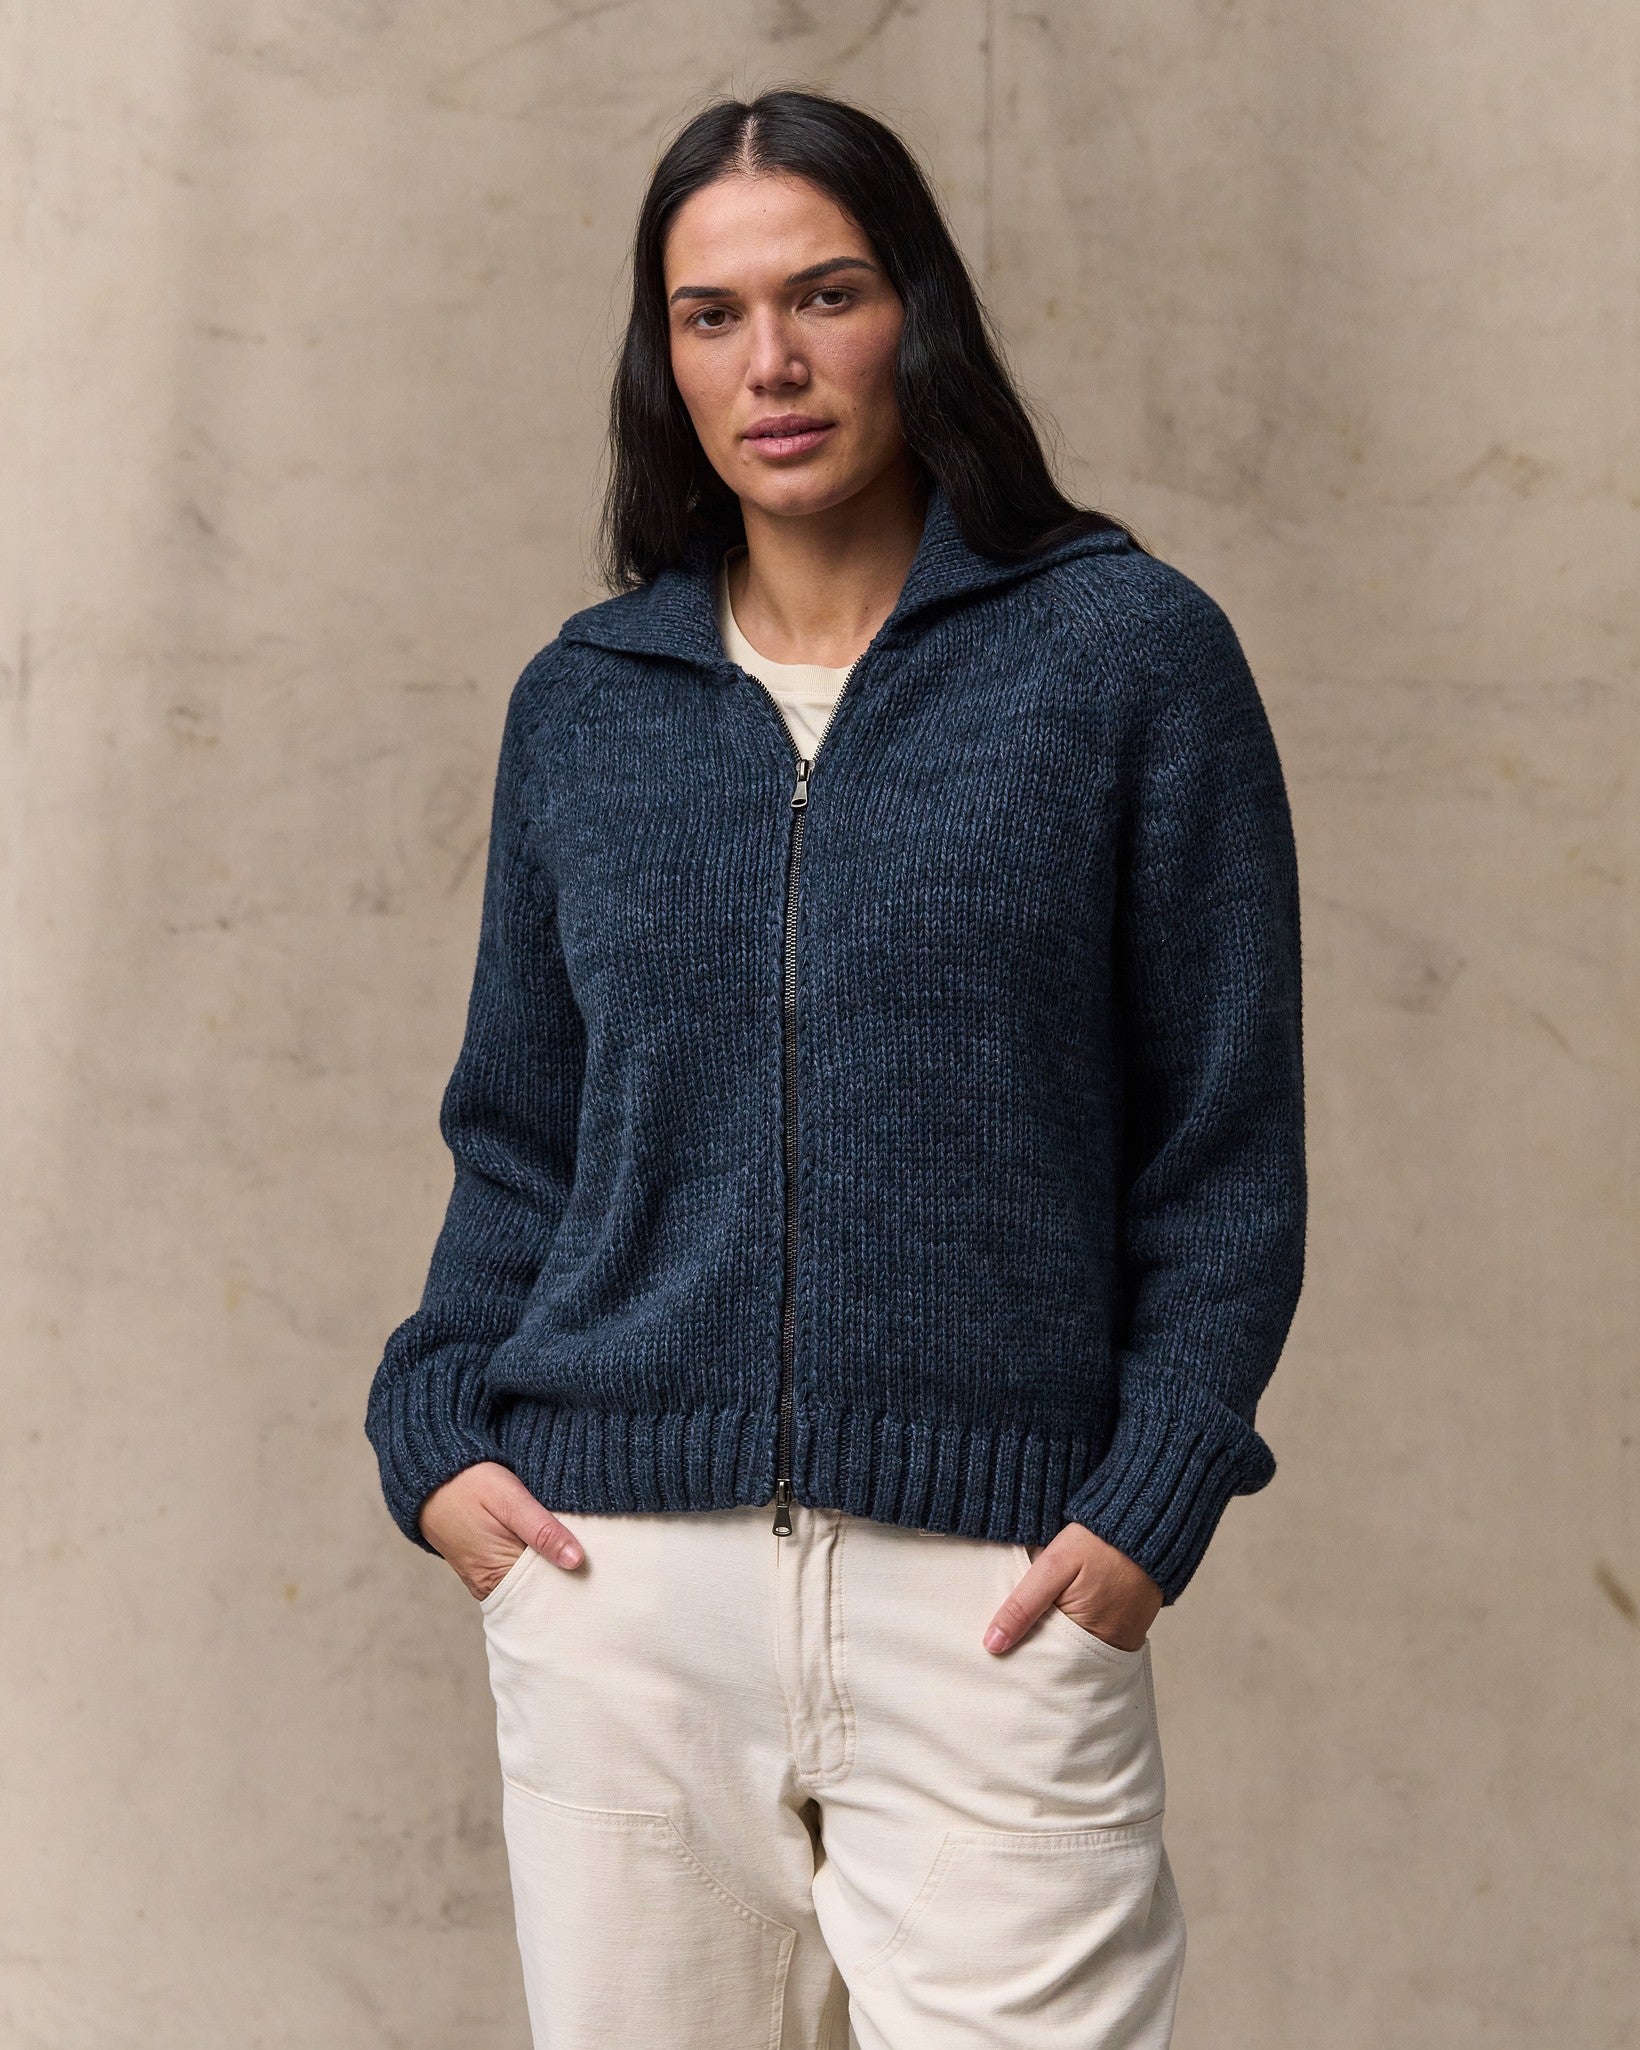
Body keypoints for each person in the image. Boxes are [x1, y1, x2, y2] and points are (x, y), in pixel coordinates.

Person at [364, 85, 1305, 2050]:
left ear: (916, 315)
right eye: (710, 315)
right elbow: (519, 1138)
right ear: (666, 361)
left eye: (825, 294)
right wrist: (437, 1434)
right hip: (620, 1587)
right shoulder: (586, 705)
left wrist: (1150, 1499)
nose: (769, 362)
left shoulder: (1126, 660)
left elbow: (1220, 1146)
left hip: (994, 1593)